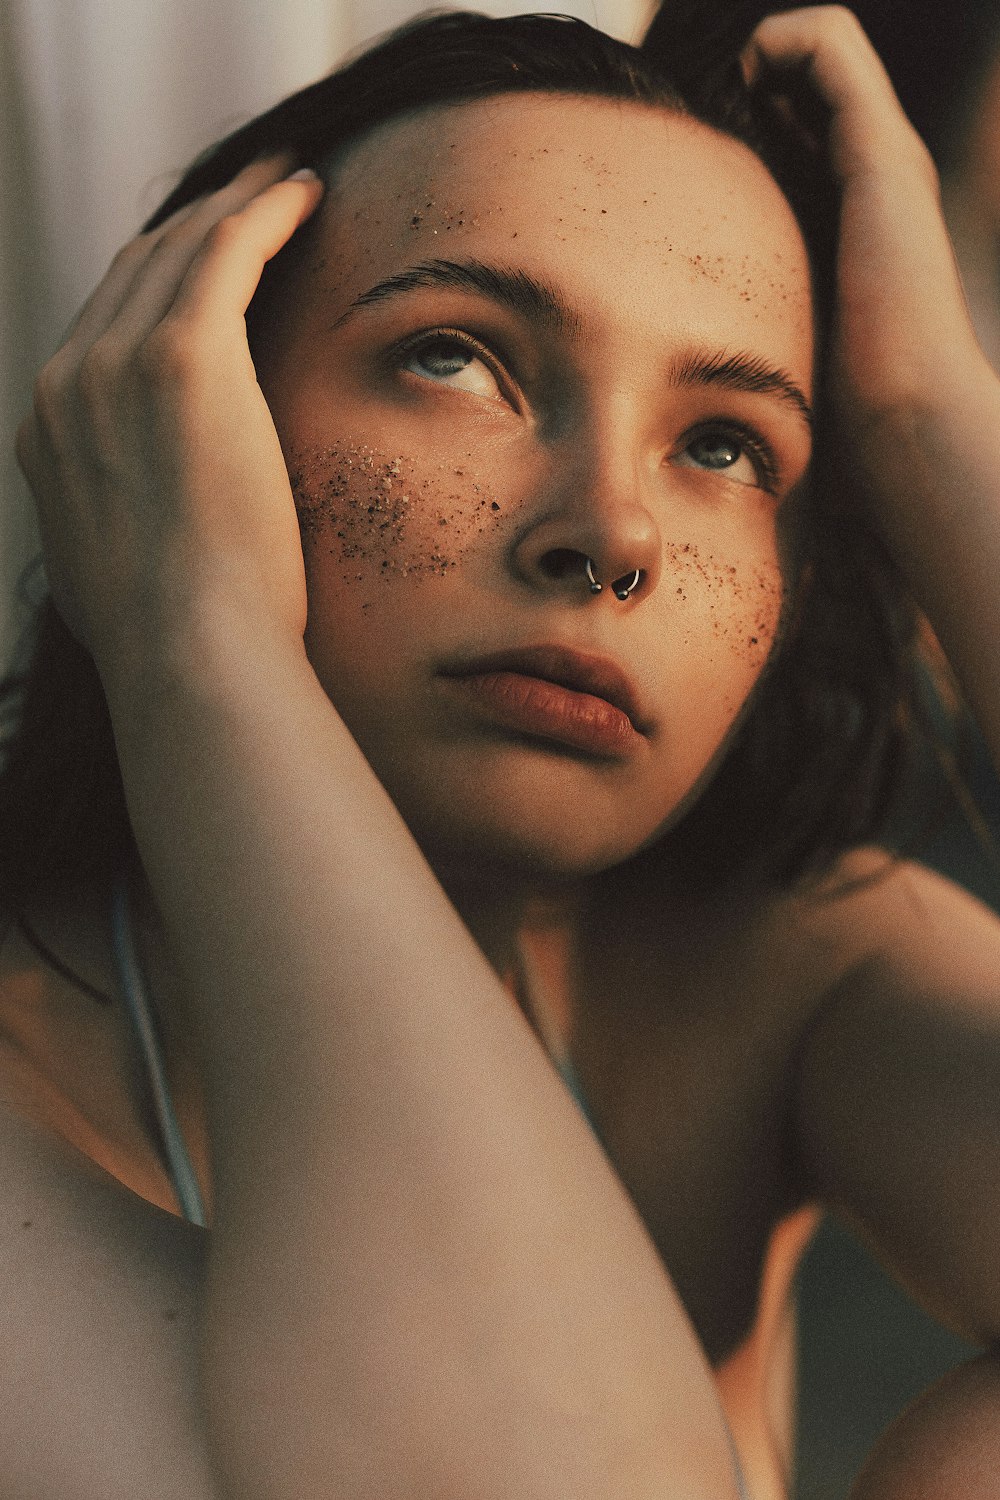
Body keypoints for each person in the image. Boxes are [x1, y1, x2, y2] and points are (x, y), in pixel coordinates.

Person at [4, 6, 1000, 1498]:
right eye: (456, 358)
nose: (610, 535)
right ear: (184, 414)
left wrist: (931, 422)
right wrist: (192, 639)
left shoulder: (783, 963)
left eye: (726, 445)